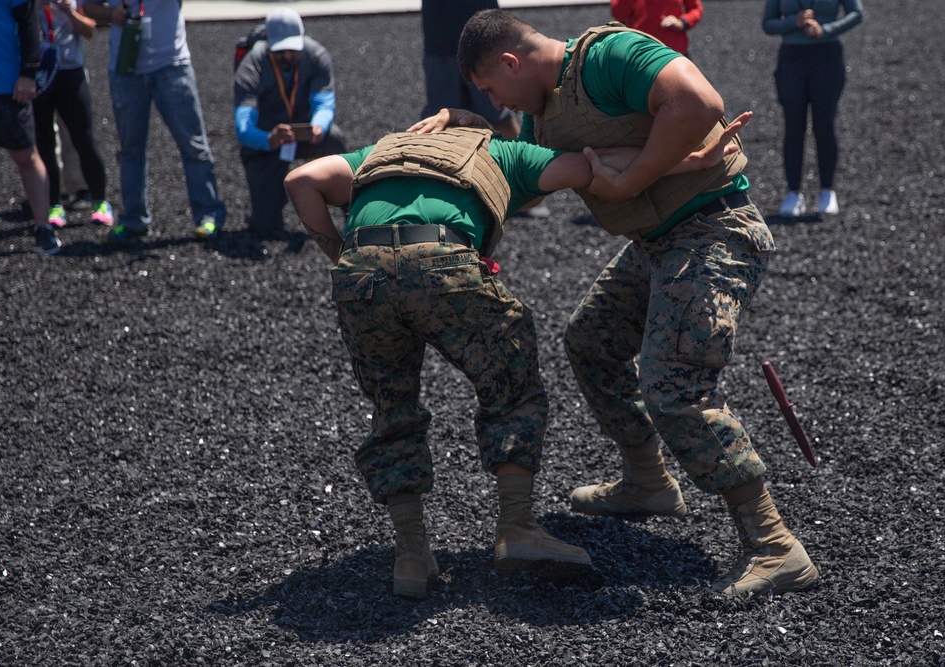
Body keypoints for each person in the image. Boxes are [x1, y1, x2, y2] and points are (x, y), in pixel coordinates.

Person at [411, 9, 820, 597]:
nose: (494, 98)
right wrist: (470, 128)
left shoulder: (605, 57)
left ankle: (776, 546)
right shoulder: (541, 115)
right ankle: (649, 481)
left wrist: (633, 179)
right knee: (592, 341)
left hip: (713, 229)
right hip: (656, 243)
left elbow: (698, 102)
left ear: (509, 62)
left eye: (489, 88)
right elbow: (523, 182)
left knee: (673, 384)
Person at [283, 119, 750, 599]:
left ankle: (412, 557)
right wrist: (696, 159)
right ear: (483, 132)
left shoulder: (383, 152)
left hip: (360, 273)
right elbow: (595, 166)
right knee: (511, 385)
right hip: (442, 257)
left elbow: (300, 181)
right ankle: (517, 528)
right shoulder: (502, 152)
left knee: (391, 405)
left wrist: (340, 254)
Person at [82, 0, 227, 241]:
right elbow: (89, 7)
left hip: (172, 65)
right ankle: (134, 220)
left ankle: (208, 214)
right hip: (125, 70)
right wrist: (111, 13)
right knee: (130, 150)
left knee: (193, 145)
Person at [233, 8, 347, 237]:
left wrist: (318, 127)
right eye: (280, 51)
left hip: (306, 133)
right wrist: (268, 139)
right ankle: (268, 211)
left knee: (334, 139)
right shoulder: (251, 65)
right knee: (265, 227)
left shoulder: (316, 56)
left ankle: (352, 211)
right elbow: (243, 125)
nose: (287, 56)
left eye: (292, 50)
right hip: (268, 140)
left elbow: (324, 103)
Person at [0, 0, 61, 254]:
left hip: (7, 84)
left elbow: (29, 24)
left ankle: (43, 227)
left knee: (25, 156)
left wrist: (28, 73)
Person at [763, 0, 864, 217]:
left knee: (824, 125)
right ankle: (793, 193)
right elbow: (768, 23)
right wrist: (794, 21)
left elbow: (856, 13)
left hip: (827, 56)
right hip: (791, 59)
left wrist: (825, 29)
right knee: (793, 127)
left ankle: (827, 191)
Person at [33, 0, 114, 230]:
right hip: (39, 73)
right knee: (44, 143)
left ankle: (100, 201)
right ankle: (53, 204)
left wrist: (68, 11)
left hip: (70, 72)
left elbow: (89, 29)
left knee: (83, 139)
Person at [421, 0, 520, 140]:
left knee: (500, 114)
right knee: (439, 124)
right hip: (440, 38)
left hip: (483, 38)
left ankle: (519, 158)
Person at [610, 0, 704, 57]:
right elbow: (618, 13)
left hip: (674, 53)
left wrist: (682, 22)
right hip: (640, 53)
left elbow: (696, 9)